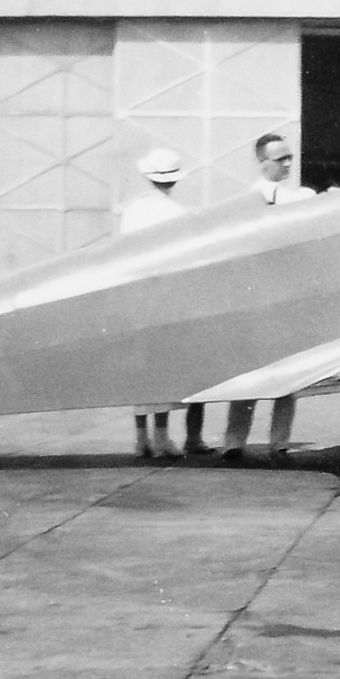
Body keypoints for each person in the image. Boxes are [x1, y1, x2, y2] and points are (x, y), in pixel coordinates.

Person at [223, 133, 316, 463]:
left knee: (289, 377)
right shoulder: (247, 201)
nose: (289, 164)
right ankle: (233, 442)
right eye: (281, 159)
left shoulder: (302, 197)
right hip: (257, 300)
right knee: (248, 378)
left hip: (289, 299)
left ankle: (279, 442)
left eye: (290, 157)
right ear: (263, 162)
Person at [119, 148, 214, 458]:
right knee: (163, 367)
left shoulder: (133, 210)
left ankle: (140, 438)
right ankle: (162, 438)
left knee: (139, 368)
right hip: (166, 297)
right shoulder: (178, 214)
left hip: (136, 295)